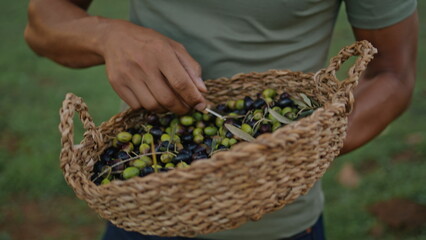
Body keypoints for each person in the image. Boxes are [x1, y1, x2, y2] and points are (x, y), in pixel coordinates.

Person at [24, 0, 418, 239]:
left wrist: (302, 146)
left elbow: (393, 71)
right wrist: (107, 36)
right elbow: (42, 22)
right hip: (145, 211)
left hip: (275, 228)